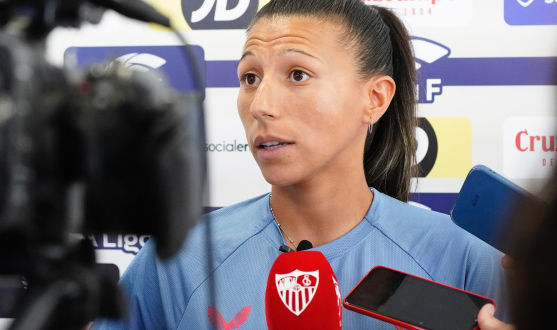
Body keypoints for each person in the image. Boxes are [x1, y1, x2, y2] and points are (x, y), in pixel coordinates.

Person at [92, 0, 509, 328]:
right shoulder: (180, 259)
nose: (261, 105)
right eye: (250, 77)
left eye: (297, 75)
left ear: (375, 99)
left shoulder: (463, 259)